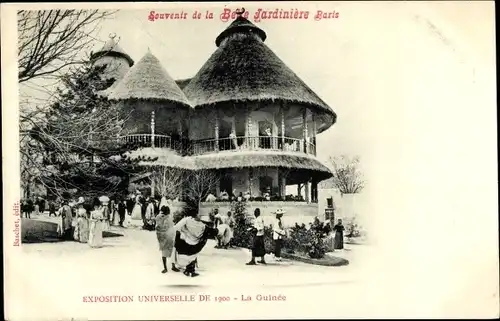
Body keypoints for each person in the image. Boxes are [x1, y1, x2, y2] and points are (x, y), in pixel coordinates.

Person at [171, 210, 218, 277]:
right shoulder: (192, 221)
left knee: (191, 255)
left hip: (190, 241)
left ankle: (189, 270)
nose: (200, 217)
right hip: (191, 242)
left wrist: (183, 231)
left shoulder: (199, 224)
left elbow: (177, 227)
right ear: (195, 215)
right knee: (191, 255)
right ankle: (189, 270)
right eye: (199, 215)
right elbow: (177, 227)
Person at [155, 206, 176, 273]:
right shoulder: (167, 218)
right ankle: (172, 266)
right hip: (167, 236)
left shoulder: (159, 217)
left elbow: (157, 227)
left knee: (165, 252)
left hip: (163, 237)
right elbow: (171, 227)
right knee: (171, 252)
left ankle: (166, 268)